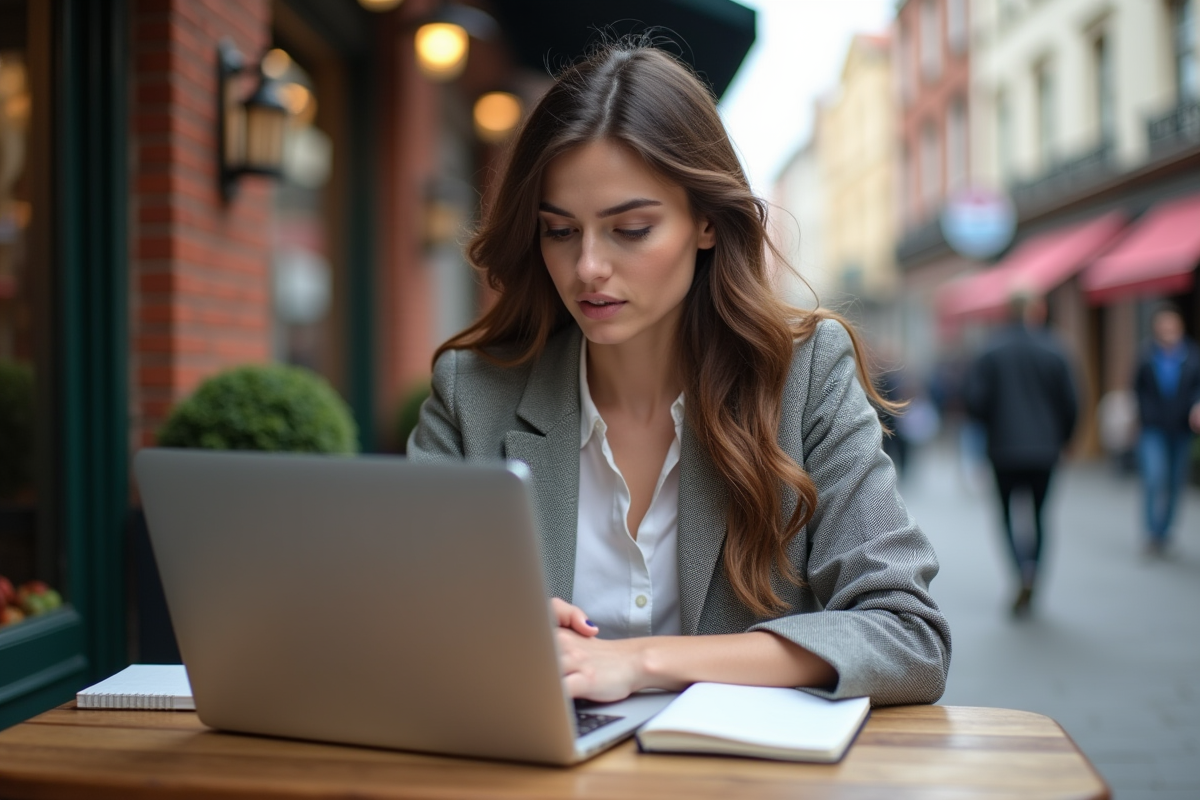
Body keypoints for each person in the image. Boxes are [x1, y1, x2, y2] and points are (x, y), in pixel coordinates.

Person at [407, 41, 950, 707]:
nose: (588, 269)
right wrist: (476, 631)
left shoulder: (805, 374)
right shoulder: (473, 393)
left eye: (630, 229)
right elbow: (404, 622)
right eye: (559, 232)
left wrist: (639, 661)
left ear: (706, 223)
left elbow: (907, 639)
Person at [964, 292, 1077, 617]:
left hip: (1003, 448)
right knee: (1040, 516)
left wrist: (992, 425)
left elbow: (974, 401)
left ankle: (1020, 571)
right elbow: (1071, 401)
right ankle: (1034, 571)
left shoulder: (990, 351)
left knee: (1007, 515)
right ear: (1037, 310)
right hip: (1045, 449)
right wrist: (1065, 438)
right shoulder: (1055, 348)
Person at [1133, 304, 1200, 557]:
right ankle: (1152, 533)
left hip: (1181, 428)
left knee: (1174, 482)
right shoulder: (1146, 355)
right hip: (1153, 428)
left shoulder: (1192, 356)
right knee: (1154, 477)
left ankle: (1165, 531)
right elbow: (1137, 389)